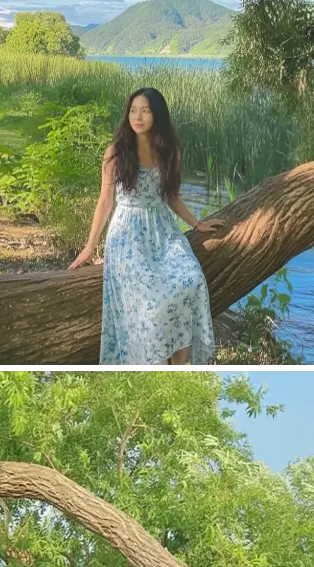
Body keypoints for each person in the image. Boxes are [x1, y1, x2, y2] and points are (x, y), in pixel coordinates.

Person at [69, 87, 225, 369]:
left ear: (157, 115)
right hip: (127, 234)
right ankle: (155, 365)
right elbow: (105, 202)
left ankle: (176, 366)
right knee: (150, 307)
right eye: (133, 110)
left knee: (192, 280)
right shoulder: (115, 152)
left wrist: (197, 224)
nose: (137, 117)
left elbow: (171, 197)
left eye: (145, 110)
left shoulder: (169, 151)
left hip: (162, 230)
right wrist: (90, 246)